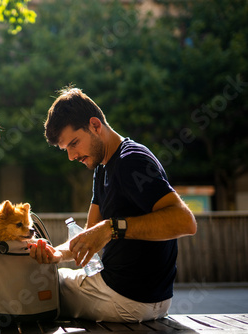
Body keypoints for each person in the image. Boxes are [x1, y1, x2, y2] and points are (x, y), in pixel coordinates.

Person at [29, 87, 197, 322]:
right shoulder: (102, 166)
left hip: (125, 298)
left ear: (95, 126)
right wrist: (55, 254)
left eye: (74, 143)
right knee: (56, 274)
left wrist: (112, 228)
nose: (71, 156)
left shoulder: (131, 160)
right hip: (149, 301)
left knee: (37, 285)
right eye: (66, 148)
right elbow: (89, 235)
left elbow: (185, 222)